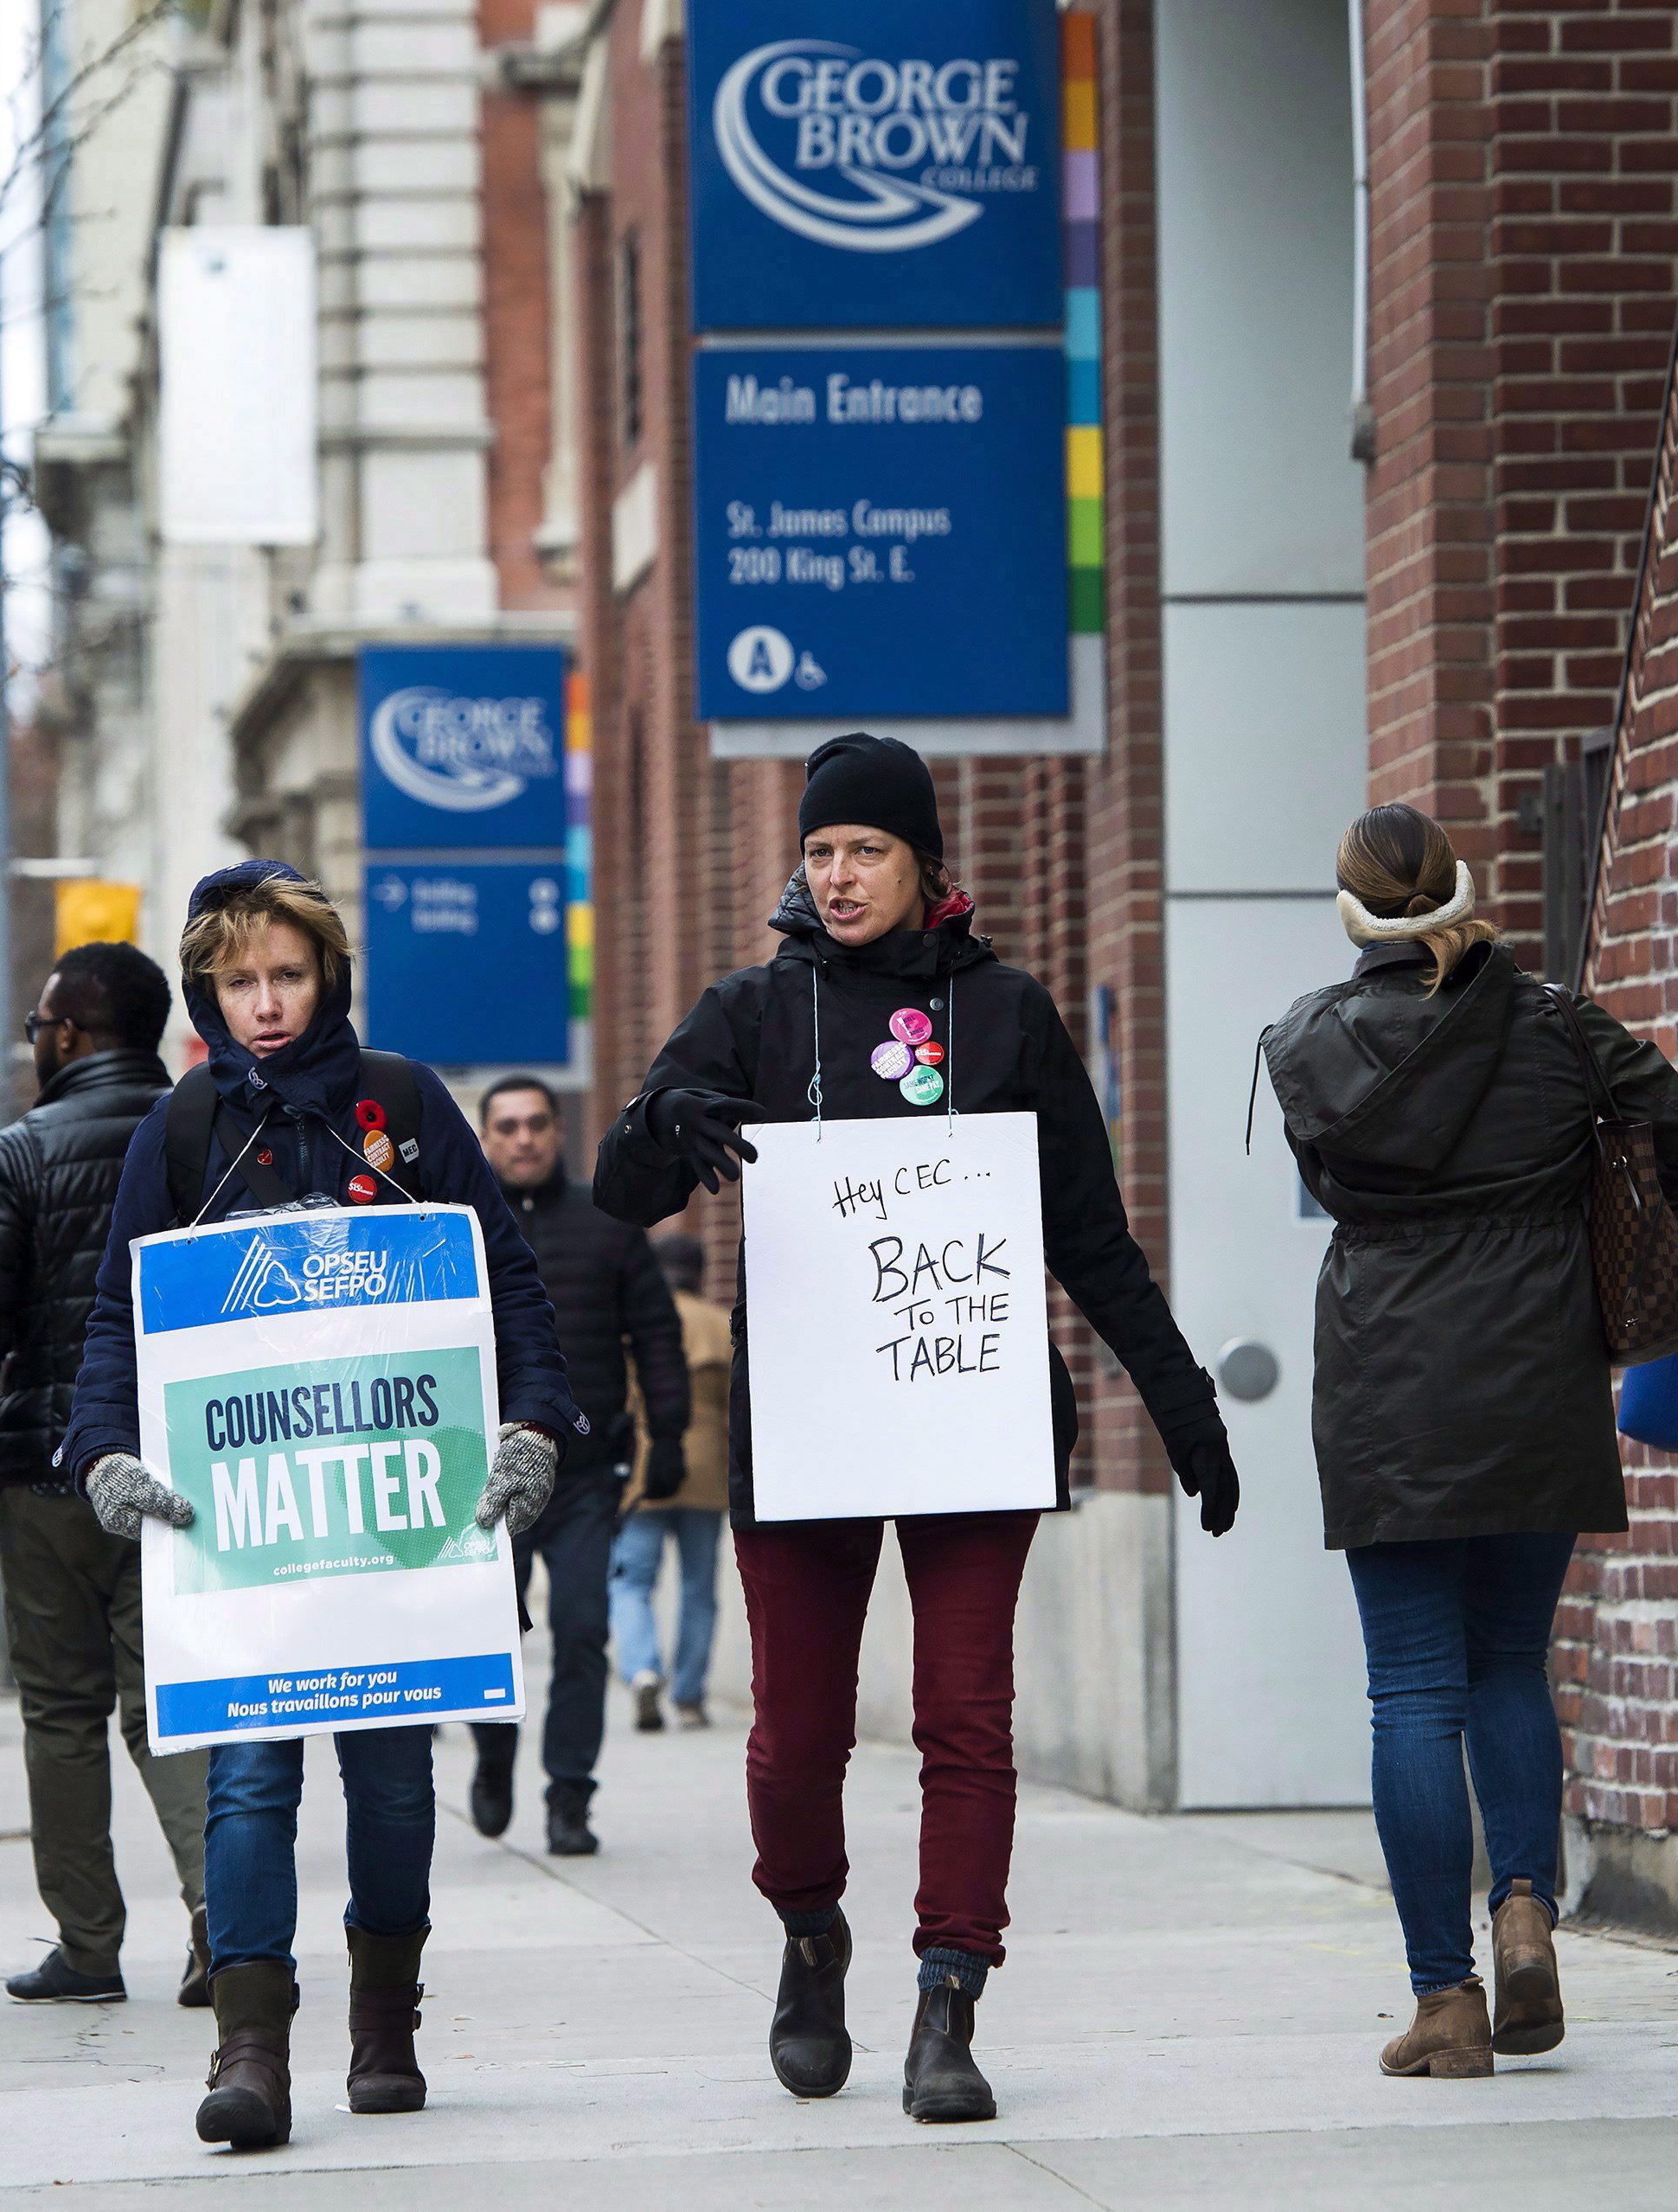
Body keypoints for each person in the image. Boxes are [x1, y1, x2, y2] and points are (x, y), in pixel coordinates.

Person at [592, 732, 1241, 2125]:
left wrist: (1185, 1414)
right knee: (792, 1736)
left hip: (970, 1419)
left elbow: (1093, 1236)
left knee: (965, 1720)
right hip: (807, 1431)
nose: (836, 875)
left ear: (923, 860)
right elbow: (615, 1192)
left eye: (865, 850)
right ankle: (810, 1934)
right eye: (820, 851)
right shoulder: (755, 1010)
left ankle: (950, 1997)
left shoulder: (1003, 1010)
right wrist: (666, 1117)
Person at [56, 861, 585, 2151]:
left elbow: (504, 1279)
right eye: (239, 981)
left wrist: (530, 1424)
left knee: (397, 1785)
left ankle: (385, 2025)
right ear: (207, 991)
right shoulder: (178, 1130)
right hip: (242, 1529)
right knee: (246, 1782)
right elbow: (117, 1319)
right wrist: (102, 1452)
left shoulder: (401, 1104)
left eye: (287, 974)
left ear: (327, 974)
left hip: (395, 1519)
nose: (266, 1002)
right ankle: (251, 2049)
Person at [1258, 804, 1678, 2081]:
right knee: (1511, 1661)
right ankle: (1525, 1906)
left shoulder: (1301, 1043)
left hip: (1385, 1390)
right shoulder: (1560, 1025)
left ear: (1353, 914)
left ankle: (1445, 1999)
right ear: (1465, 893)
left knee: (1411, 1687)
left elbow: (1335, 1176)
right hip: (1539, 1379)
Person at [0, 940, 210, 2009]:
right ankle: (227, 1923)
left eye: (37, 1026)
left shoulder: (19, 1155)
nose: (34, 1042)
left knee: (62, 1713)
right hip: (184, 1467)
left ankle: (88, 1945)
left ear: (68, 1031)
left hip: (49, 1471)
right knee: (172, 1705)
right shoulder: (211, 1134)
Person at [469, 1076, 690, 1853]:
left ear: (558, 1131)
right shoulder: (459, 1227)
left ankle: (570, 1797)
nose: (523, 1138)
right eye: (507, 1127)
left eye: (536, 1124)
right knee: (492, 1634)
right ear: (486, 1137)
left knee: (584, 1631)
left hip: (588, 1471)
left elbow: (656, 1333)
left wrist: (669, 1435)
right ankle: (494, 1756)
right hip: (488, 1481)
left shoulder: (609, 1223)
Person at [612, 1231, 733, 1730]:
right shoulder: (722, 1324)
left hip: (645, 1466)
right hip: (707, 1467)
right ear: (701, 1270)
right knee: (699, 1587)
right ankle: (689, 1697)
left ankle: (642, 1669)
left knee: (630, 1580)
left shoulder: (632, 1321)